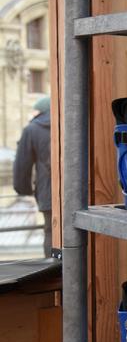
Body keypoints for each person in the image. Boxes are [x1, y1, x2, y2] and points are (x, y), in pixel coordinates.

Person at [14, 96, 52, 256]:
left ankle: (55, 275)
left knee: (51, 232)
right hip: (81, 192)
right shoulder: (69, 123)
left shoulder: (32, 129)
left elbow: (22, 165)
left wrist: (24, 190)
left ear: (41, 111)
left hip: (48, 193)